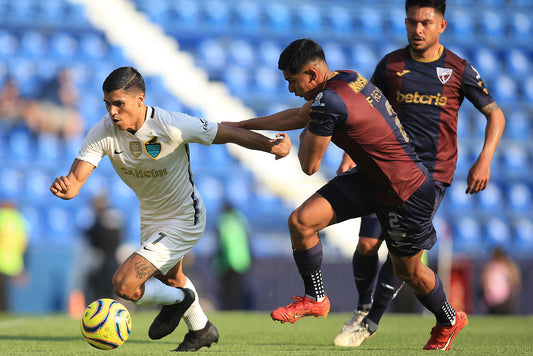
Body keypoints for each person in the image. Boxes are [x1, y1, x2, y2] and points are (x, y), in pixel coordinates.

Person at [228, 38, 467, 351]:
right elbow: (300, 115)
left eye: (292, 81)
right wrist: (242, 125)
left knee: (408, 271)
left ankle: (449, 319)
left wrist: (296, 140)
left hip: (404, 189)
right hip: (372, 179)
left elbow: (309, 165)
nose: (291, 89)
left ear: (312, 75)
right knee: (301, 222)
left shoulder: (329, 102)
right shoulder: (347, 77)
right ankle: (316, 298)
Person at [50, 66, 291, 352]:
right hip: (151, 219)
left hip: (185, 217)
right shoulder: (103, 131)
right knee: (173, 279)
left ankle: (181, 300)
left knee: (124, 285)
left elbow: (227, 132)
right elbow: (76, 181)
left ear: (140, 99)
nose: (112, 112)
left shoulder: (171, 124)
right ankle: (202, 330)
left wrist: (271, 146)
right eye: (108, 104)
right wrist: (67, 189)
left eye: (119, 104)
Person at [332, 0, 505, 347]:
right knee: (366, 245)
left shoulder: (457, 69)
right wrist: (350, 154)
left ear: (442, 25)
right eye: (412, 22)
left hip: (429, 178)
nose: (417, 29)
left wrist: (484, 159)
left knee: (402, 260)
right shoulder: (391, 64)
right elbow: (364, 111)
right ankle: (363, 308)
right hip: (385, 168)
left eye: (426, 22)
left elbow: (495, 113)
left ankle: (371, 322)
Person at [212, 201, 252, 310]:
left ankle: (229, 308)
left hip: (226, 260)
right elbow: (248, 239)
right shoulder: (241, 219)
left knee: (227, 288)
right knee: (237, 287)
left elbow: (220, 241)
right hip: (241, 259)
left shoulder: (223, 220)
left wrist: (215, 259)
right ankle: (236, 308)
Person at [84, 195, 124, 302]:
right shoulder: (114, 220)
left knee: (99, 291)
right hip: (110, 259)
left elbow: (93, 239)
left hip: (103, 259)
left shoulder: (100, 223)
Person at [0, 201, 29, 311]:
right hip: (14, 261)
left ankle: (4, 311)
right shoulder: (18, 219)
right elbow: (24, 242)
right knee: (6, 291)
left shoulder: (2, 217)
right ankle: (6, 311)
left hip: (1, 259)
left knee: (2, 292)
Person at [480, 247, 521, 314]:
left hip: (505, 301)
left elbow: (514, 282)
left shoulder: (508, 267)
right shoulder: (490, 267)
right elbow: (483, 283)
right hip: (493, 301)